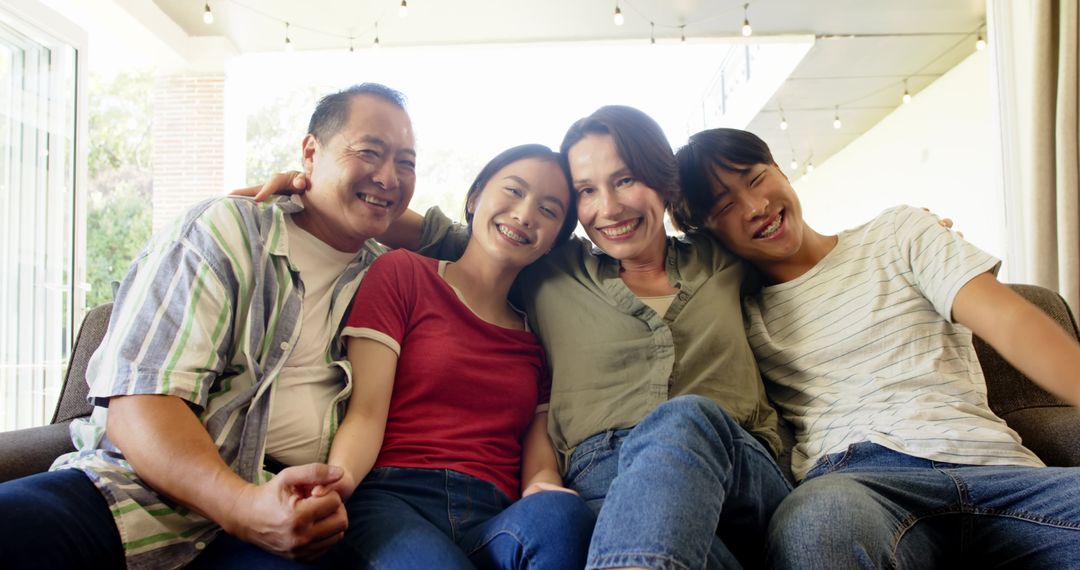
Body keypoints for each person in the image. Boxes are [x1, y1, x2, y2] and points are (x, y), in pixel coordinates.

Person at [252, 106, 792, 569]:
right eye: (586, 191)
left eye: (626, 179)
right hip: (581, 491)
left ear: (662, 181)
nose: (609, 207)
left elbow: (777, 238)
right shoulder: (543, 274)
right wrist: (312, 190)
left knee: (663, 434)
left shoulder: (721, 260)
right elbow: (472, 239)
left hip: (729, 465)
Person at [0, 82, 418, 569]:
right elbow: (139, 404)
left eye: (406, 162)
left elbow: (480, 233)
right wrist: (243, 507)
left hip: (286, 509)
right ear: (310, 152)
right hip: (132, 491)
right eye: (369, 152)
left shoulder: (391, 278)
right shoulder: (226, 229)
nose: (389, 176)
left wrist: (361, 195)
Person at [674, 127, 1080, 568]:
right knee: (816, 526)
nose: (755, 208)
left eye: (756, 179)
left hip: (998, 469)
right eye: (725, 207)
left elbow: (1009, 322)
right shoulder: (739, 313)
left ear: (779, 170)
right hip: (860, 482)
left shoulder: (898, 232)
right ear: (708, 232)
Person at [314, 143, 594, 569]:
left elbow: (538, 464)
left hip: (494, 517)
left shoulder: (538, 341)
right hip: (393, 500)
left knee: (562, 516)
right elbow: (366, 413)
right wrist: (338, 485)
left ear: (554, 241)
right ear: (475, 197)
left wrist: (547, 492)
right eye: (514, 191)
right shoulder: (404, 274)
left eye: (548, 210)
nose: (525, 215)